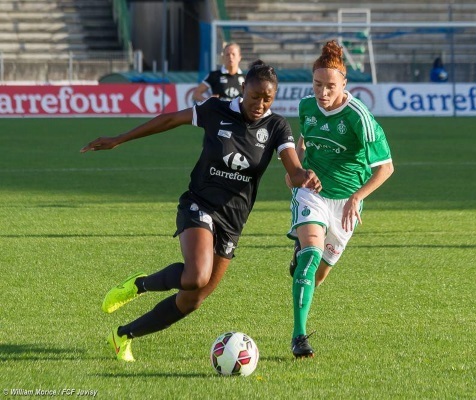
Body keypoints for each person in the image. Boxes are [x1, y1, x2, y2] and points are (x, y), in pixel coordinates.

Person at [80, 60, 322, 362]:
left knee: (194, 298)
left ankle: (123, 335)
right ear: (243, 88)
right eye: (254, 96)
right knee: (195, 276)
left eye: (267, 98)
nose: (260, 104)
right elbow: (169, 120)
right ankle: (138, 285)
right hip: (199, 204)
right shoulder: (215, 109)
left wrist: (306, 176)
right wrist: (119, 139)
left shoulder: (276, 126)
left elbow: (294, 169)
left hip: (233, 221)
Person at [285, 40, 394, 358]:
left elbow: (386, 168)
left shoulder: (359, 116)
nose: (322, 92)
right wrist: (297, 172)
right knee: (310, 257)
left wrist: (357, 197)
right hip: (313, 194)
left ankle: (305, 258)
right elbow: (303, 141)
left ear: (344, 84)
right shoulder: (306, 107)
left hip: (346, 202)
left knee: (319, 275)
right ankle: (299, 336)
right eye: (317, 84)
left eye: (330, 86)